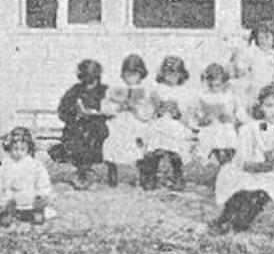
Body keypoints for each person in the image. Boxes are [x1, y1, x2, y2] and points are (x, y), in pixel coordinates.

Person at [209, 84, 274, 234]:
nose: (273, 110)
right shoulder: (252, 128)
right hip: (253, 169)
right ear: (261, 107)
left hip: (273, 173)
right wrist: (251, 165)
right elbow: (243, 156)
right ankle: (224, 220)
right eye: (268, 105)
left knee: (257, 194)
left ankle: (239, 224)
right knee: (240, 189)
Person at [50, 59, 109, 190]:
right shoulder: (75, 91)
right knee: (77, 138)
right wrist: (76, 113)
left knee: (93, 135)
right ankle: (81, 172)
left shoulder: (104, 91)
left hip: (97, 127)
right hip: (77, 126)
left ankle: (87, 171)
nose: (89, 82)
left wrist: (98, 113)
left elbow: (112, 109)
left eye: (92, 78)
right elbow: (62, 110)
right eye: (86, 78)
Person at [140, 55, 194, 191]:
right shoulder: (157, 89)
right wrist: (156, 107)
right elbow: (150, 109)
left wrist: (178, 112)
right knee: (155, 147)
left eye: (175, 73)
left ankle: (177, 175)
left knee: (175, 151)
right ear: (162, 73)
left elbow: (186, 112)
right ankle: (151, 176)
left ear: (181, 74)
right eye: (168, 73)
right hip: (159, 122)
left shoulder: (183, 92)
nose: (171, 76)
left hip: (176, 124)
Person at [101, 54, 152, 186]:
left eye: (134, 75)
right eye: (128, 75)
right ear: (123, 75)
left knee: (138, 143)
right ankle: (112, 171)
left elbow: (148, 113)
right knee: (112, 141)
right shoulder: (115, 89)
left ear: (141, 75)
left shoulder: (145, 91)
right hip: (119, 123)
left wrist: (135, 108)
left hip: (136, 122)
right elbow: (105, 108)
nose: (131, 78)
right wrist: (118, 106)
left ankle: (142, 174)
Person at [0, 127, 54, 226]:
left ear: (28, 149)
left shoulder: (35, 165)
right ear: (9, 149)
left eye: (23, 149)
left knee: (43, 209)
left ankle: (36, 213)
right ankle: (8, 214)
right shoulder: (5, 165)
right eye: (15, 149)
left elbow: (43, 182)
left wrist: (41, 195)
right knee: (5, 204)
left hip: (29, 197)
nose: (19, 152)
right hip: (11, 197)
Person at [193, 62, 240, 166]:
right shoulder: (203, 96)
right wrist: (204, 118)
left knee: (227, 131)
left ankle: (226, 159)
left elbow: (235, 115)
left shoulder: (228, 96)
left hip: (225, 125)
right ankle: (211, 160)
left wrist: (229, 117)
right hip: (210, 126)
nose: (214, 88)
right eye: (211, 85)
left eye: (217, 85)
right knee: (207, 135)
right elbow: (197, 115)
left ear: (223, 83)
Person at [230, 20, 274, 110]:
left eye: (267, 37)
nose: (263, 41)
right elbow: (242, 67)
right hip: (254, 84)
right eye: (260, 38)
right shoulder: (253, 53)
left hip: (270, 85)